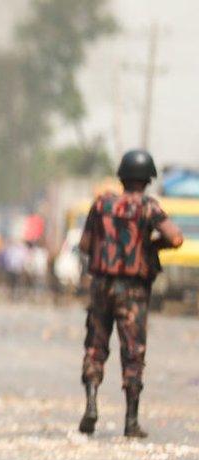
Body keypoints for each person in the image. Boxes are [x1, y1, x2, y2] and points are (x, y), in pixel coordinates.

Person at [78, 149, 182, 438]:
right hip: (133, 292)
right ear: (147, 179)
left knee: (95, 347)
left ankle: (91, 404)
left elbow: (86, 245)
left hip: (101, 286)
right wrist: (149, 246)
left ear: (122, 176)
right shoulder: (148, 207)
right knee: (133, 352)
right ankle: (131, 421)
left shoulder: (101, 204)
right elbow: (176, 237)